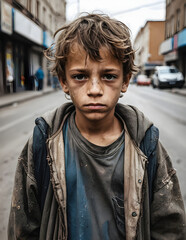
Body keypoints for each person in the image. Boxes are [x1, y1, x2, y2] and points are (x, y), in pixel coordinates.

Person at [8, 13, 186, 240]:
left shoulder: (146, 145)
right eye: (80, 76)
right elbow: (23, 227)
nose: (94, 89)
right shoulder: (44, 142)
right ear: (64, 81)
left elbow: (169, 227)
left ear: (125, 80)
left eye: (108, 76)